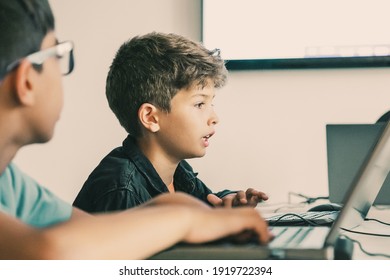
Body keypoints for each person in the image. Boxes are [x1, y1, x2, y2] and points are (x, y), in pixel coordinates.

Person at [0, 0, 272, 259]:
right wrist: (187, 218)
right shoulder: (121, 186)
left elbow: (89, 232)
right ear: (26, 82)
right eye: (58, 57)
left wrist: (213, 214)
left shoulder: (10, 182)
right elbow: (49, 254)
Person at [73, 32, 269, 213]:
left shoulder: (178, 172)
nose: (214, 118)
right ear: (151, 117)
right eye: (200, 104)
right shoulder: (122, 190)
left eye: (212, 103)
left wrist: (228, 202)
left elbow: (204, 205)